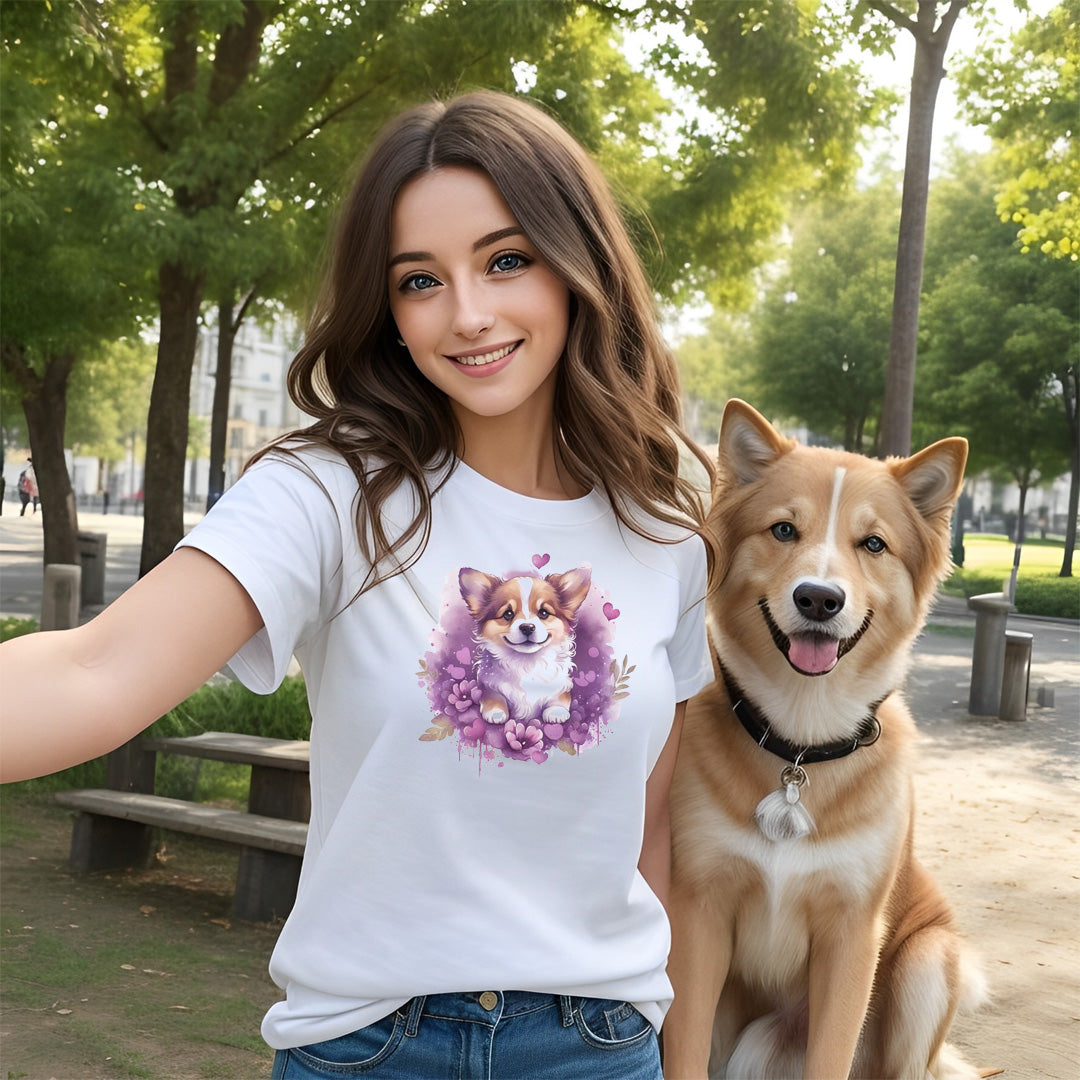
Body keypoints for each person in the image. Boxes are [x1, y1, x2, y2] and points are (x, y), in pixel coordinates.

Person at [0, 91, 716, 1079]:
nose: (468, 314)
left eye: (506, 260)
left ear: (578, 263)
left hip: (597, 1044)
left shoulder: (669, 514)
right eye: (421, 280)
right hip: (372, 1047)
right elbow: (95, 670)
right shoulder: (330, 489)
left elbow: (652, 838)